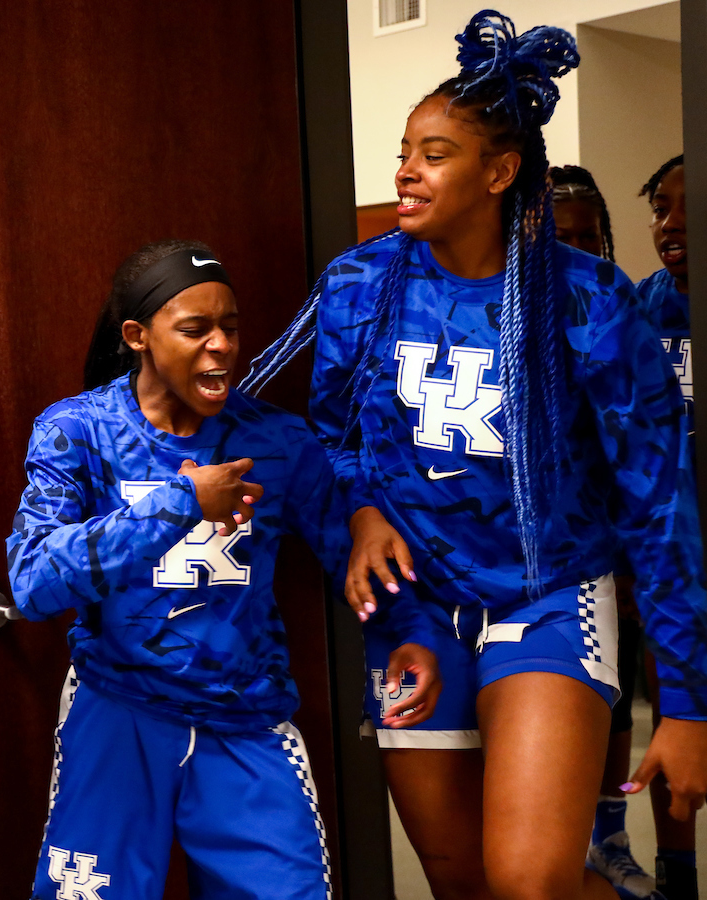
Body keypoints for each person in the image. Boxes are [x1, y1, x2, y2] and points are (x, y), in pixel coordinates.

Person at [243, 12, 707, 900]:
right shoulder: (358, 284)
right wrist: (366, 510)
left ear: (499, 172)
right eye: (405, 150)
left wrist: (686, 700)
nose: (407, 170)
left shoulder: (588, 299)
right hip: (412, 616)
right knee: (466, 889)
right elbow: (332, 445)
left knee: (529, 882)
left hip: (546, 599)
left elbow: (658, 502)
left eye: (436, 152)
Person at [8, 240, 441, 900]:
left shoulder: (277, 440)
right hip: (118, 712)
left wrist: (409, 630)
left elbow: (346, 550)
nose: (221, 346)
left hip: (245, 721)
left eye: (230, 328)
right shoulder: (78, 431)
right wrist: (184, 502)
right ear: (138, 336)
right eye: (195, 329)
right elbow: (35, 581)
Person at [547, 164, 658, 899]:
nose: (582, 247)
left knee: (616, 695)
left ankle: (611, 834)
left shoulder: (618, 308)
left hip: (613, 541)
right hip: (544, 557)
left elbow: (639, 459)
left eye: (591, 234)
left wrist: (625, 565)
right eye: (566, 235)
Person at [634, 154, 699, 900]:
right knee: (675, 713)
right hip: (670, 560)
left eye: (686, 208)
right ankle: (676, 874)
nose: (670, 224)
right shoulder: (644, 310)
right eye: (659, 208)